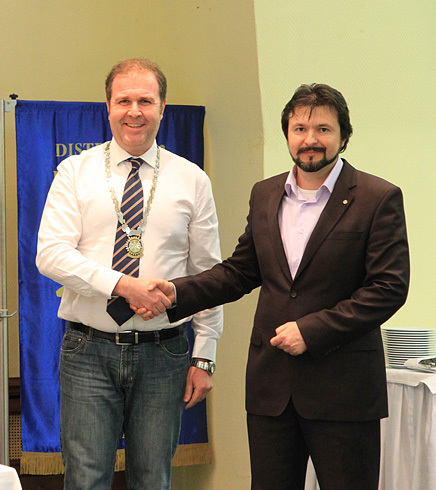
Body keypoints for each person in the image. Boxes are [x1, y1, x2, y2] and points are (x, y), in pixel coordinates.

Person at [156, 84, 410, 489]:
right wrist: (177, 292)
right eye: (299, 129)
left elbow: (388, 288)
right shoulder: (265, 194)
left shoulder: (377, 197)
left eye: (323, 129)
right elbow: (240, 272)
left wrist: (311, 330)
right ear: (287, 134)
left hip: (344, 390)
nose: (310, 140)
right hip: (271, 387)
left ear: (344, 136)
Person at [35, 58, 223, 490]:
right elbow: (50, 255)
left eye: (145, 101)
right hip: (88, 351)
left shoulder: (192, 179)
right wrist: (121, 285)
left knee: (153, 480)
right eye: (124, 101)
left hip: (165, 353)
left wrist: (205, 355)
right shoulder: (75, 172)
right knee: (85, 479)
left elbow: (209, 276)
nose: (134, 111)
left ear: (162, 108)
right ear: (108, 107)